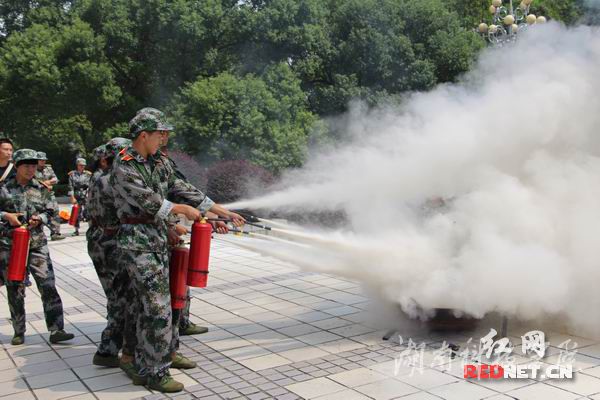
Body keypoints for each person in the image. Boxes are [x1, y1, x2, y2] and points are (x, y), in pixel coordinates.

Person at [112, 110, 243, 392]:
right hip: (137, 243)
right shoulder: (124, 164)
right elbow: (149, 201)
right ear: (143, 135)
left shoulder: (159, 161)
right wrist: (181, 210)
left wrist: (218, 209)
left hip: (159, 239)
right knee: (157, 307)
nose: (164, 138)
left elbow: (181, 187)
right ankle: (155, 372)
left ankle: (148, 359)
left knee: (150, 304)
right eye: (160, 133)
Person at [0, 149, 75, 345]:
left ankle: (57, 329)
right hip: (12, 245)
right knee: (15, 288)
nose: (31, 169)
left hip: (37, 244)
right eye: (26, 166)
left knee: (47, 284)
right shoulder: (4, 188)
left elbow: (52, 212)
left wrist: (40, 218)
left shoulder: (42, 188)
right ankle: (18, 331)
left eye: (33, 166)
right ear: (17, 166)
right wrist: (6, 216)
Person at [87, 139, 133, 367]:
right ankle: (107, 351)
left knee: (117, 295)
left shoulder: (101, 177)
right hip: (109, 242)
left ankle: (116, 346)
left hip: (101, 239)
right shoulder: (111, 181)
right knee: (119, 297)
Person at [35, 152, 65, 241]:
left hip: (49, 195)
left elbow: (55, 179)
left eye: (44, 160)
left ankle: (55, 233)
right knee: (38, 214)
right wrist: (44, 184)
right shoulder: (32, 169)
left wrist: (49, 182)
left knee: (55, 212)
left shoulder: (48, 168)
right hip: (37, 195)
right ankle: (38, 235)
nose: (43, 162)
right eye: (41, 160)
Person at [67, 158, 91, 236]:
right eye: (80, 165)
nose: (82, 167)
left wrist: (89, 194)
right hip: (76, 195)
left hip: (86, 194)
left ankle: (91, 228)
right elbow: (70, 187)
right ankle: (76, 230)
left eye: (83, 165)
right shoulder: (72, 174)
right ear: (77, 165)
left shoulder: (88, 174)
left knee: (89, 212)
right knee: (76, 213)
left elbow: (90, 185)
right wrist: (72, 197)